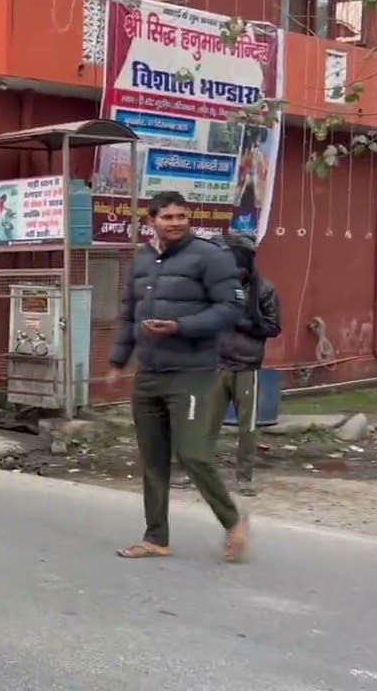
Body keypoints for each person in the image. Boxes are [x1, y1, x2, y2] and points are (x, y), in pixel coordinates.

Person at [107, 191, 250, 563]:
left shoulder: (210, 257)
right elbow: (129, 315)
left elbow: (231, 308)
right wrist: (118, 361)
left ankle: (233, 521)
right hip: (149, 374)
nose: (175, 222)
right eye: (167, 217)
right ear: (151, 220)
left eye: (181, 216)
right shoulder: (142, 261)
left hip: (191, 374)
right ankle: (156, 538)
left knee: (192, 454)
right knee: (152, 460)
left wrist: (180, 326)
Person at [173, 232, 281, 496]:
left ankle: (244, 479)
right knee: (205, 424)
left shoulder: (265, 290)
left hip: (247, 367)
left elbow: (273, 327)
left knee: (248, 429)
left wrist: (241, 322)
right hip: (217, 365)